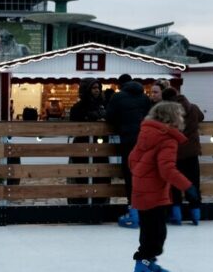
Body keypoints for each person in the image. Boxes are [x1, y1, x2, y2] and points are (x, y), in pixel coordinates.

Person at [128, 102, 199, 272]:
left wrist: (141, 174)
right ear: (172, 118)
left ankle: (148, 264)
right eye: (180, 116)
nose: (182, 119)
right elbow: (167, 170)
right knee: (155, 235)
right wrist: (188, 187)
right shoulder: (167, 139)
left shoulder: (147, 133)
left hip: (142, 190)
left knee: (151, 231)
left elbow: (131, 159)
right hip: (153, 194)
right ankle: (142, 270)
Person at [105, 74, 152, 228]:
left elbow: (109, 117)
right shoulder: (144, 97)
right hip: (145, 141)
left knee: (130, 173)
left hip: (128, 141)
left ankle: (134, 211)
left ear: (120, 85)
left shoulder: (117, 98)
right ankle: (145, 210)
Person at [162, 87, 204, 224]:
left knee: (175, 184)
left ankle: (177, 215)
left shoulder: (168, 112)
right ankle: (195, 215)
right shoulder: (193, 107)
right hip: (192, 152)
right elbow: (201, 118)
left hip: (175, 152)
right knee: (193, 183)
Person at [68, 78, 108, 205]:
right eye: (93, 88)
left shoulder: (104, 104)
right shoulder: (78, 107)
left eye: (98, 88)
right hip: (82, 144)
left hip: (100, 144)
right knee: (82, 174)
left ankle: (99, 202)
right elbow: (75, 123)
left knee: (100, 174)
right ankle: (82, 201)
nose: (96, 90)